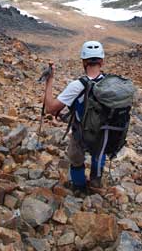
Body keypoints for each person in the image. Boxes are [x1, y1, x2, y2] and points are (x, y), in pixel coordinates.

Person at [44, 41, 106, 192]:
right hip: (104, 134)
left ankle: (79, 187)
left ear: (83, 62)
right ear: (102, 61)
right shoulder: (112, 84)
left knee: (75, 157)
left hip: (82, 133)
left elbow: (51, 109)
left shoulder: (76, 86)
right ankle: (96, 180)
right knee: (100, 152)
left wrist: (49, 81)